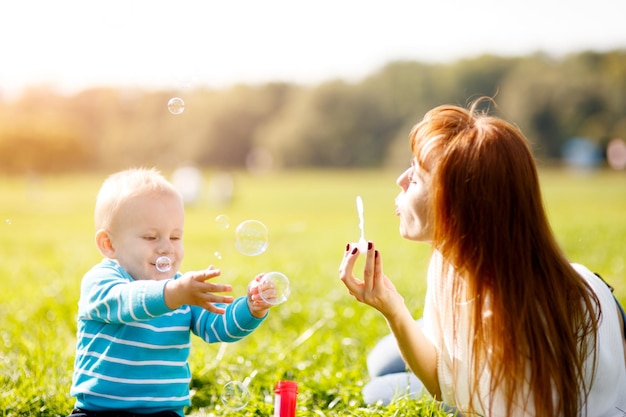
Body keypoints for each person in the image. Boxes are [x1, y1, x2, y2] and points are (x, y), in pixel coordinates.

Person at [339, 98, 626, 416]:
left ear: (455, 207)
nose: (401, 180)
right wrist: (393, 309)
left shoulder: (512, 333)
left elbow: (443, 387)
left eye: (418, 177)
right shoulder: (450, 260)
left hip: (566, 362)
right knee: (381, 359)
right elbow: (447, 380)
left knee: (377, 391)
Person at [69, 168, 274, 417]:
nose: (166, 247)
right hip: (100, 411)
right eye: (151, 237)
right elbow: (126, 302)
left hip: (164, 411)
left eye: (175, 237)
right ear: (109, 244)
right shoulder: (101, 281)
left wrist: (251, 308)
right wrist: (174, 293)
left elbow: (218, 326)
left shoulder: (182, 291)